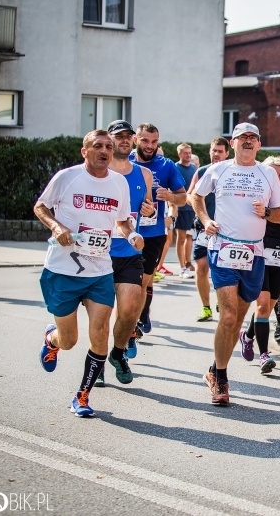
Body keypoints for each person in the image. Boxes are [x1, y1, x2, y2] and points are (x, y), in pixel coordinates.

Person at [34, 130, 142, 417]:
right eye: (98, 146)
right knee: (69, 341)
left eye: (108, 146)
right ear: (85, 151)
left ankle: (82, 396)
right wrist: (57, 228)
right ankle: (52, 340)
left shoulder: (119, 183)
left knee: (101, 333)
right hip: (62, 270)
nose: (105, 150)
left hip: (99, 271)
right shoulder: (67, 177)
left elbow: (122, 222)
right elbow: (40, 207)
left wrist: (132, 237)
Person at [190, 122, 280, 406]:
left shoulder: (268, 173)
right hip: (222, 248)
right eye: (242, 137)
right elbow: (195, 196)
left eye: (252, 138)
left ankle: (214, 369)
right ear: (232, 143)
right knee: (229, 316)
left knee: (239, 319)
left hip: (255, 254)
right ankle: (221, 377)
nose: (247, 141)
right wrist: (206, 221)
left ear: (258, 144)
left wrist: (267, 211)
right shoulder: (218, 169)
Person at [96, 120, 154, 386]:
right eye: (119, 136)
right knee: (103, 314)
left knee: (130, 311)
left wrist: (149, 211)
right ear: (109, 139)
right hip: (99, 253)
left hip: (130, 251)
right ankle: (96, 364)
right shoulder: (99, 170)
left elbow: (149, 207)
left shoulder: (144, 174)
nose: (124, 141)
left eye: (128, 137)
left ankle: (117, 354)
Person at [241, 156, 280, 372]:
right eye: (273, 174)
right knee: (262, 304)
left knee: (266, 308)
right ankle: (264, 355)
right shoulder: (254, 193)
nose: (276, 178)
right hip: (258, 254)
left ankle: (248, 335)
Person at [131, 123, 187, 334]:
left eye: (154, 142)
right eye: (145, 140)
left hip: (153, 234)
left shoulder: (166, 166)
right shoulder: (124, 162)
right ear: (136, 140)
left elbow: (183, 197)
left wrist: (171, 197)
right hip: (124, 233)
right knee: (126, 284)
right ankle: (131, 321)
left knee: (143, 283)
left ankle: (138, 318)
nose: (149, 146)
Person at [190, 137, 229, 322]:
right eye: (214, 150)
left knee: (221, 269)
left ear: (227, 153)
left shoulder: (233, 173)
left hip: (226, 230)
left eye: (220, 151)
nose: (216, 154)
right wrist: (203, 215)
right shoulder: (202, 171)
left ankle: (222, 301)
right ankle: (206, 307)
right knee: (202, 267)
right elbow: (190, 195)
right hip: (204, 228)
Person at [174, 143, 198, 279]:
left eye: (189, 153)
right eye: (185, 153)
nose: (188, 155)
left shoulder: (194, 168)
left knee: (189, 238)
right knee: (181, 238)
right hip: (181, 208)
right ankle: (182, 267)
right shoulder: (176, 168)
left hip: (192, 209)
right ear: (180, 154)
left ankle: (188, 262)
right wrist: (174, 207)